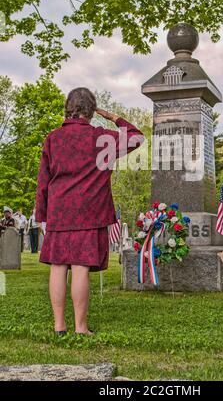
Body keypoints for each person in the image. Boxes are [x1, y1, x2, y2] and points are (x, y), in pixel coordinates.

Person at [35, 87, 144, 336]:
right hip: (89, 211)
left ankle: (59, 326)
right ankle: (80, 328)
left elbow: (43, 181)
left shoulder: (53, 138)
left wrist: (42, 215)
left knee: (58, 266)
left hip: (59, 211)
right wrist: (113, 117)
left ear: (68, 108)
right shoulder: (102, 138)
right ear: (91, 110)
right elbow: (137, 137)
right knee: (81, 267)